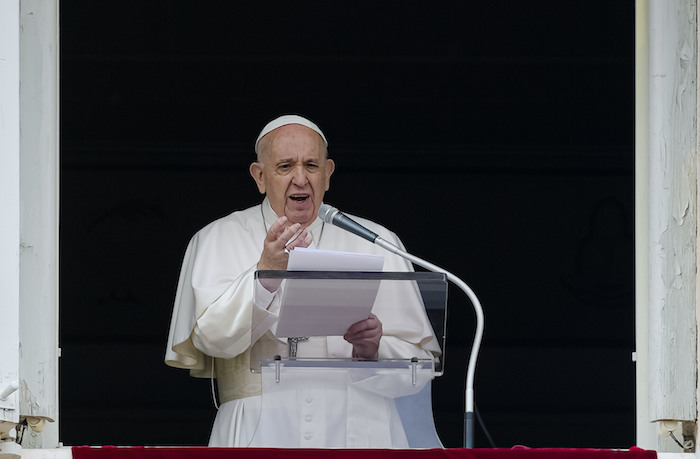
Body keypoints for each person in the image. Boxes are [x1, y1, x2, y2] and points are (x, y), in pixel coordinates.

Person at [165, 115, 440, 448]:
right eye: (284, 166)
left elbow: (419, 370)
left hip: (361, 433)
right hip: (258, 431)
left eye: (311, 165)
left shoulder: (376, 240)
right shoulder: (218, 238)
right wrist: (265, 275)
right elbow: (213, 340)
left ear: (328, 174)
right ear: (260, 176)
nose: (300, 178)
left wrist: (372, 350)